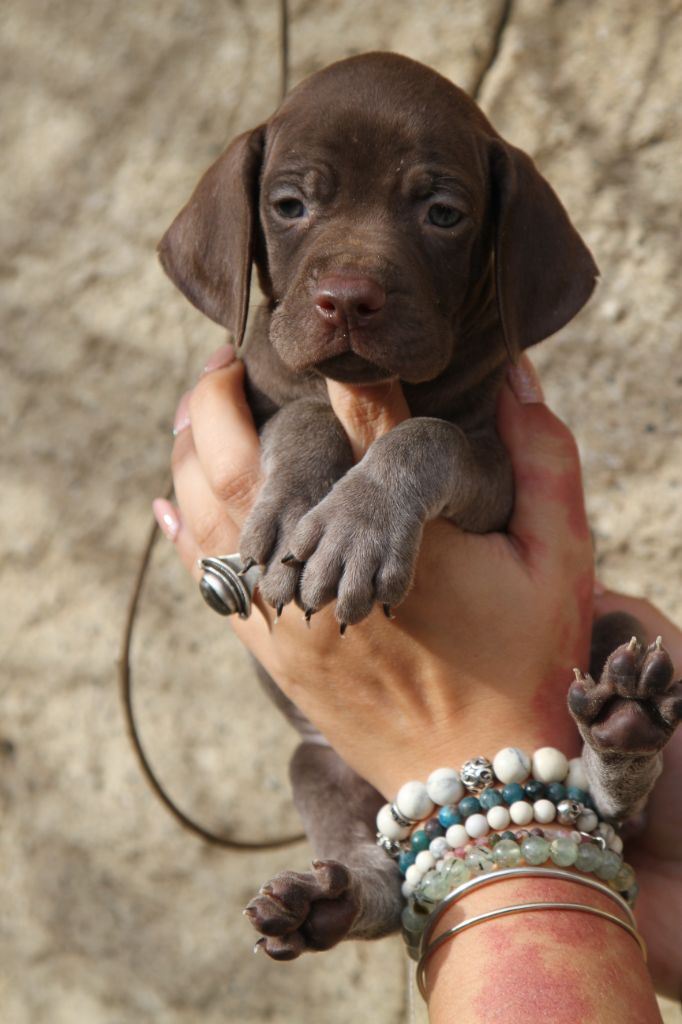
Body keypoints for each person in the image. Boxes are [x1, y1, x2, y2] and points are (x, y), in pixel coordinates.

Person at [154, 343, 681, 1021]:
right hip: (404, 750)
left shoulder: (471, 376)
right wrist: (300, 444)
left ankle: (614, 775)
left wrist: (414, 461)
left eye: (444, 224)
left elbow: (483, 476)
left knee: (615, 653)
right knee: (314, 767)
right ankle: (368, 881)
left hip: (559, 695)